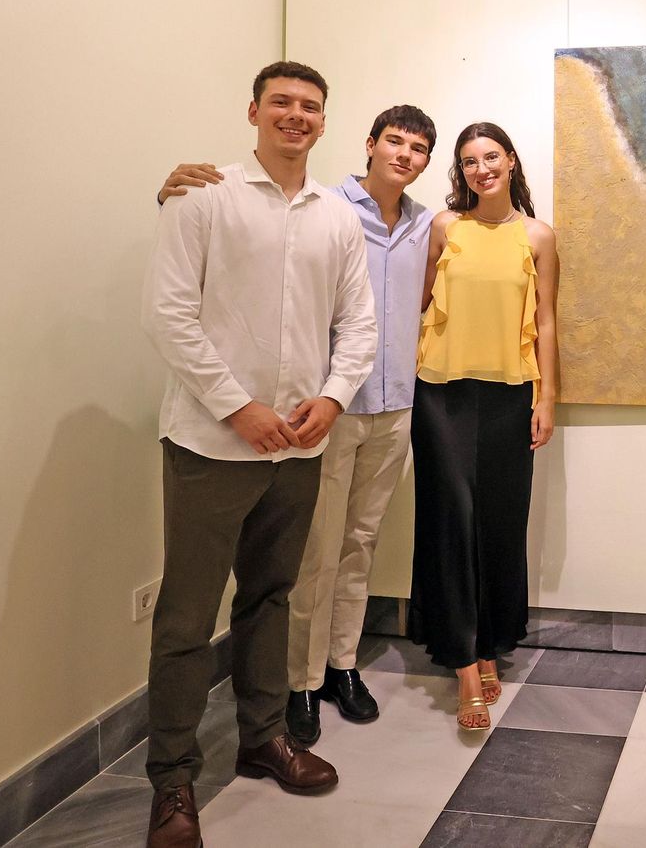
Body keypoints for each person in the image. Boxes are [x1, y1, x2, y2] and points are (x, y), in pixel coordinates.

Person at [141, 61, 376, 848]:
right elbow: (169, 315)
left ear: (322, 121)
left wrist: (333, 398)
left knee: (271, 595)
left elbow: (360, 327)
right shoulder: (202, 197)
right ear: (253, 111)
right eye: (282, 102)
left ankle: (264, 736)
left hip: (298, 447)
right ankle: (172, 782)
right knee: (185, 616)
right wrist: (238, 408)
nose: (296, 116)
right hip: (213, 443)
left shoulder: (337, 219)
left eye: (310, 107)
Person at [156, 106, 439, 747]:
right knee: (312, 555)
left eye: (419, 147)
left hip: (392, 405)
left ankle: (342, 665)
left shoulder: (427, 224)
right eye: (394, 141)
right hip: (322, 411)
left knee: (359, 544)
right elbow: (236, 238)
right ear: (368, 144)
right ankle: (301, 683)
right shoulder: (325, 206)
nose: (405, 154)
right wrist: (168, 190)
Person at [409, 122, 559, 730]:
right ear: (460, 171)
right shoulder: (444, 228)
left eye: (490, 157)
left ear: (511, 161)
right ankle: (466, 661)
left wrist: (548, 398)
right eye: (469, 161)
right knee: (452, 518)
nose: (481, 169)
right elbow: (415, 301)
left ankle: (492, 641)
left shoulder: (539, 236)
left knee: (499, 521)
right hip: (439, 392)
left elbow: (546, 321)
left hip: (509, 396)